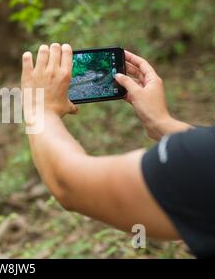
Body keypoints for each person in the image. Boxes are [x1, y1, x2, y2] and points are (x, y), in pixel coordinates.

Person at [21, 43, 215, 258]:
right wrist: (160, 122)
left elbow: (68, 184)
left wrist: (40, 110)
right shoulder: (201, 159)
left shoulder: (200, 161)